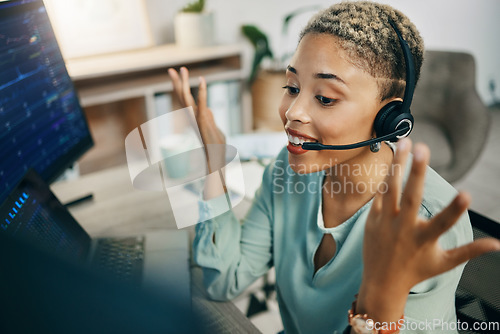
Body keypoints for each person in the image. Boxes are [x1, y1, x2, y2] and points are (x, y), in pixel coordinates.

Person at [168, 2, 500, 333]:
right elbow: (222, 280)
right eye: (292, 88)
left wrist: (382, 299)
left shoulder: (426, 221)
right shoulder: (286, 170)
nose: (292, 112)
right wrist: (215, 162)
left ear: (390, 120)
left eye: (325, 98)